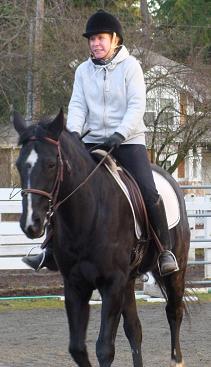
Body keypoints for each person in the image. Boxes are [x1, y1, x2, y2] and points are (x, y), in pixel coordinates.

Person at [22, 9, 178, 276]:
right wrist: (70, 136)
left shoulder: (132, 67)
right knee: (61, 185)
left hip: (127, 141)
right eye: (92, 39)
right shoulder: (83, 71)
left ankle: (164, 251)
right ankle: (49, 248)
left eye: (100, 38)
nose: (95, 43)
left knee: (149, 192)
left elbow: (137, 105)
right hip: (91, 142)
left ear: (115, 39)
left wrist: (120, 132)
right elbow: (78, 106)